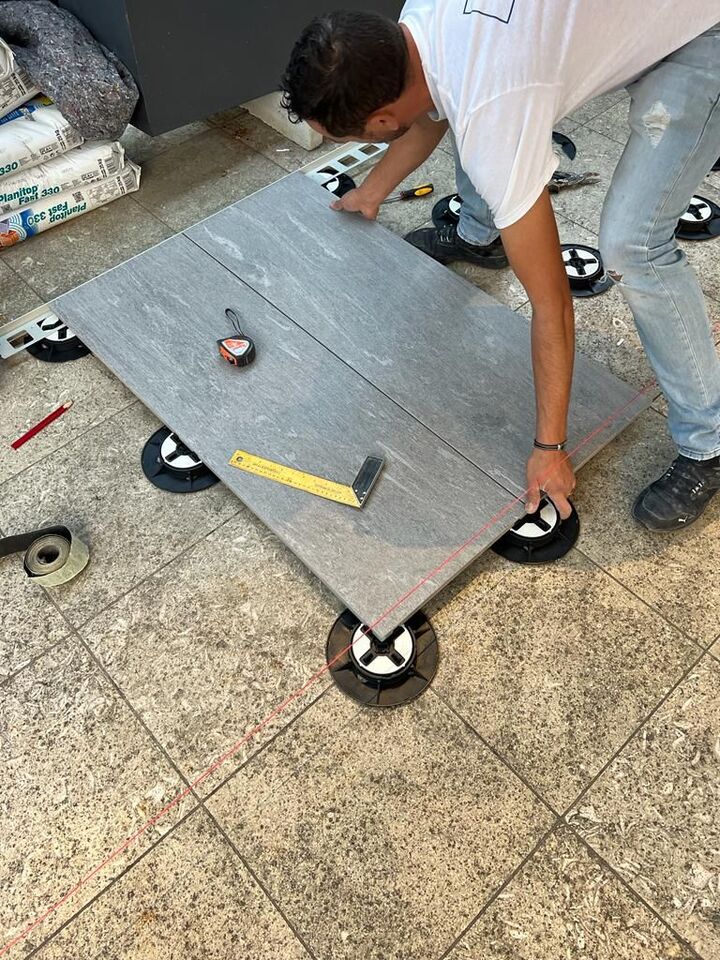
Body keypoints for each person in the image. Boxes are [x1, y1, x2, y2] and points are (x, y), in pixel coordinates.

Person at [280, 3, 720, 532]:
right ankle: (481, 235)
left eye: (344, 138)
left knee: (632, 245)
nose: (343, 145)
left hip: (700, 30)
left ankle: (709, 439)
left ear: (379, 121)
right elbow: (428, 111)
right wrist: (371, 192)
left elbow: (552, 303)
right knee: (486, 133)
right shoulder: (414, 28)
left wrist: (550, 446)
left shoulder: (493, 111)